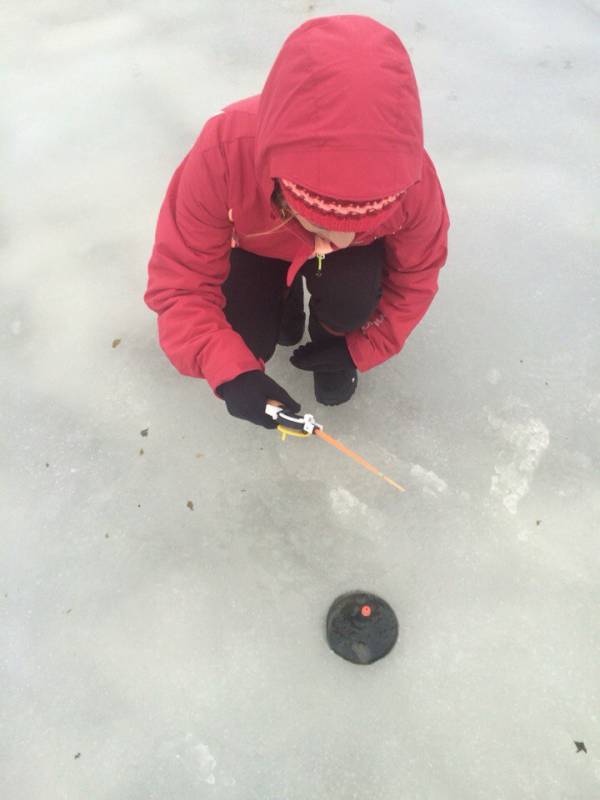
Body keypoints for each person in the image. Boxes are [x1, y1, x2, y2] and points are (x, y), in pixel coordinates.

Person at [144, 14, 450, 430]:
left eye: (359, 227)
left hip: (341, 269)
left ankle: (331, 334)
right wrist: (230, 371)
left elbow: (415, 276)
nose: (330, 245)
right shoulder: (224, 153)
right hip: (258, 248)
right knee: (244, 335)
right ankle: (281, 309)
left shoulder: (413, 182)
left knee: (352, 299)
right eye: (319, 225)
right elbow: (181, 282)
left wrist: (360, 348)